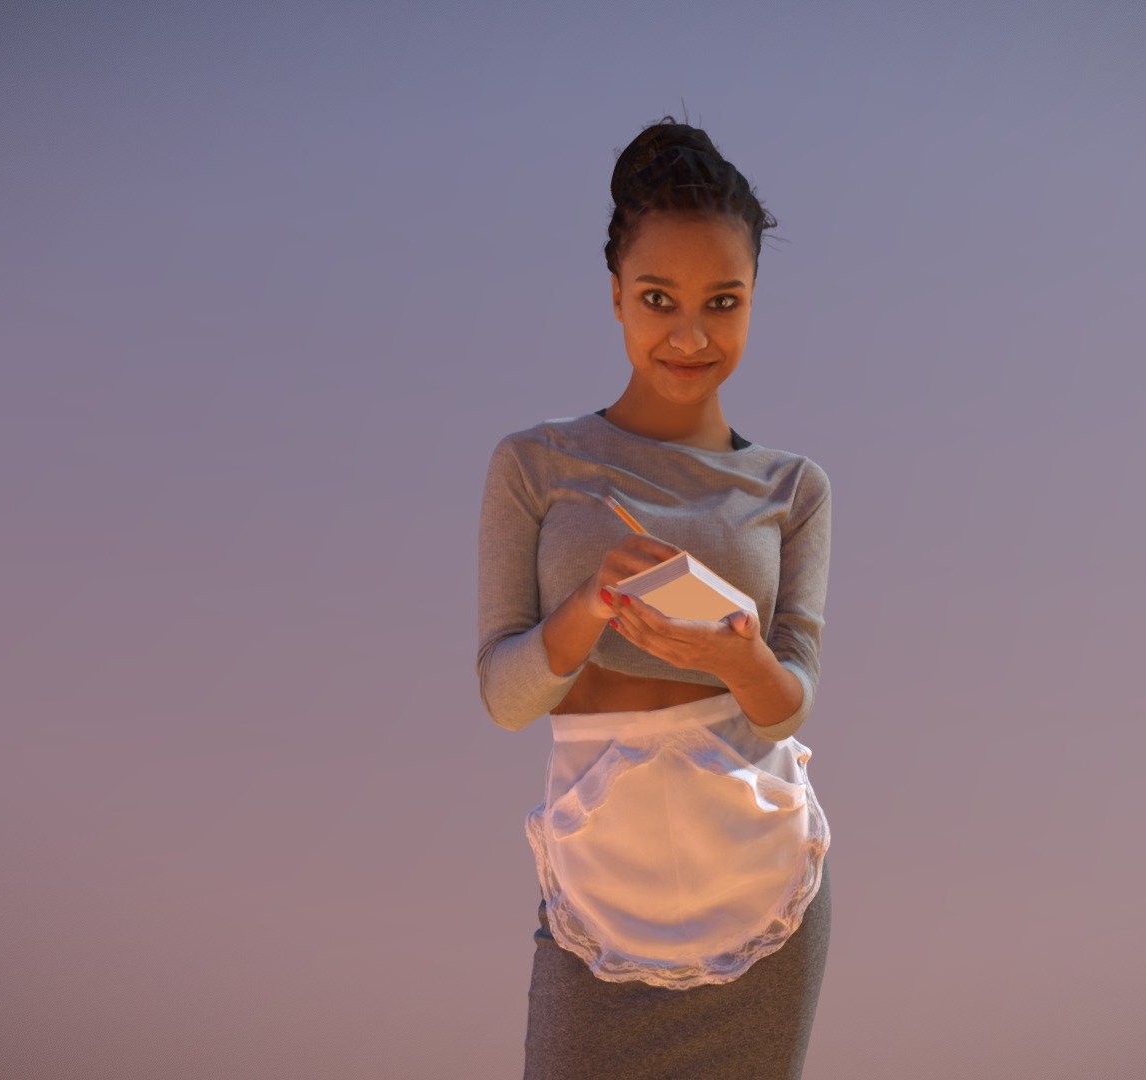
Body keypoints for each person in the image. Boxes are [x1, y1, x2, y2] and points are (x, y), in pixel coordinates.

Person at [474, 113, 836, 1079]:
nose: (690, 334)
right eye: (658, 298)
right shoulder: (536, 464)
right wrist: (587, 610)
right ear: (615, 298)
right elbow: (506, 699)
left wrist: (739, 659)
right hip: (604, 873)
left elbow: (791, 696)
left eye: (723, 301)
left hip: (758, 879)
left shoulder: (793, 486)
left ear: (755, 298)